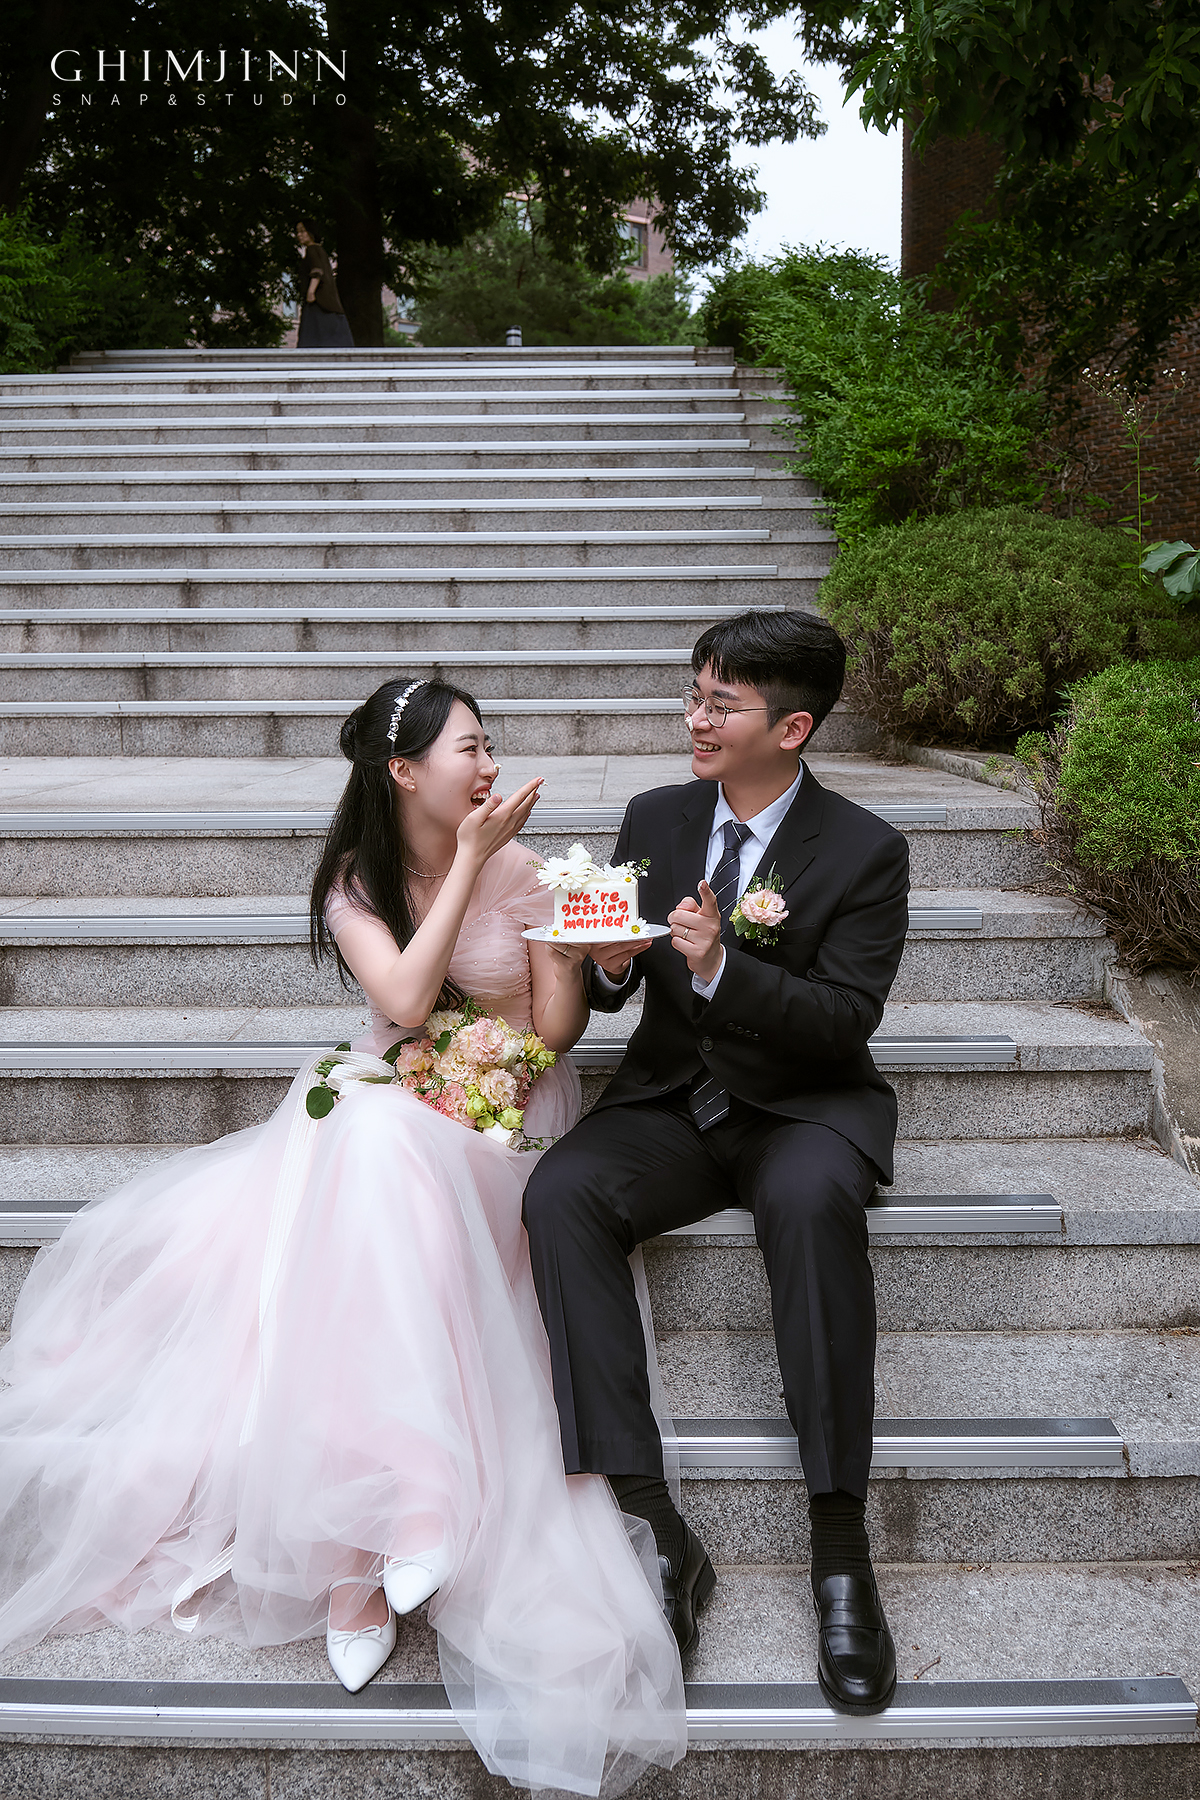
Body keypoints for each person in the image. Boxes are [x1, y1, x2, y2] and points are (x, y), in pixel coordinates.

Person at [0, 677, 685, 1797]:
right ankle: (393, 1523)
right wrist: (467, 864)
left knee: (374, 1151)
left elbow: (554, 1038)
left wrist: (574, 951)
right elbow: (406, 1006)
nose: (490, 765)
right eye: (470, 748)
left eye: (491, 745)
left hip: (506, 1124)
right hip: (395, 1105)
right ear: (405, 772)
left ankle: (361, 1560)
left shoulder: (529, 867)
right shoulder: (356, 884)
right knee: (366, 1138)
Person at [523, 609, 911, 1716]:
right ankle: (654, 1525)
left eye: (720, 704)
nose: (695, 719)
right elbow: (615, 983)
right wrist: (607, 966)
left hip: (801, 1106)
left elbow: (844, 1020)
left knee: (812, 1203)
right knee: (561, 1192)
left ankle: (841, 1549)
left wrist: (723, 969)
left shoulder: (866, 849)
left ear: (791, 728)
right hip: (672, 1102)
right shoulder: (657, 815)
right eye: (693, 695)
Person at [295, 219, 355, 347]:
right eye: (298, 232)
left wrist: (311, 292)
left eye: (303, 231)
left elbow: (317, 271)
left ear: (311, 232)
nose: (299, 235)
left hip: (318, 303)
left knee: (311, 339)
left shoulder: (312, 250)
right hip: (328, 304)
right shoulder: (320, 250)